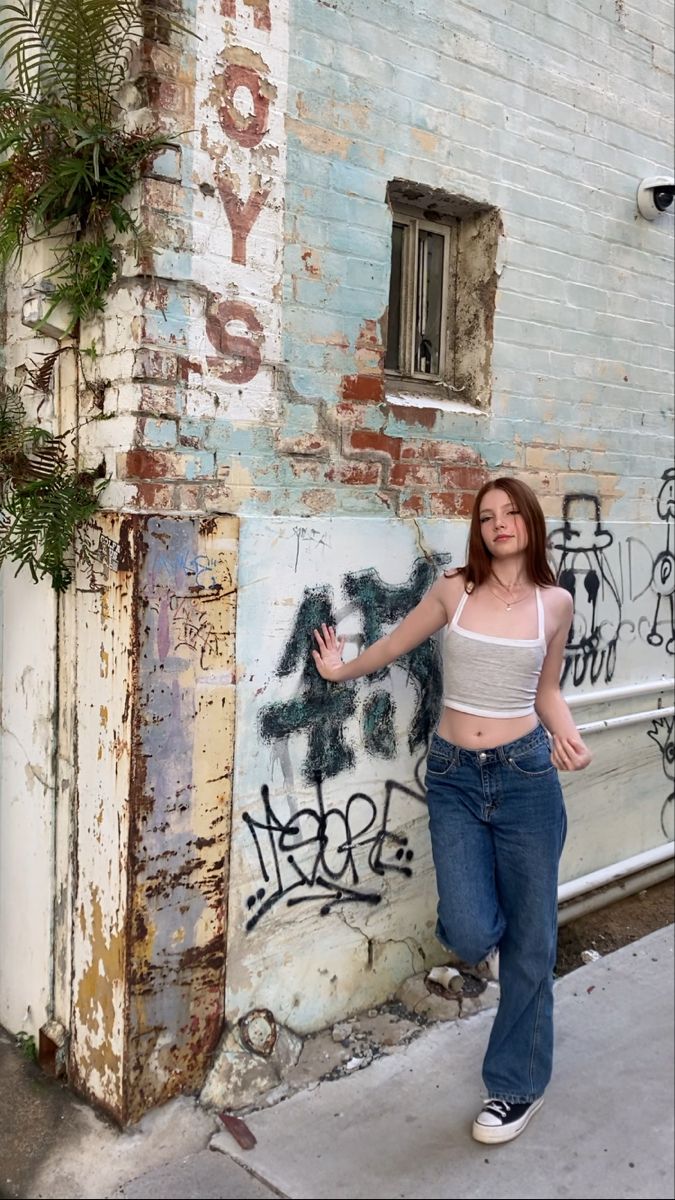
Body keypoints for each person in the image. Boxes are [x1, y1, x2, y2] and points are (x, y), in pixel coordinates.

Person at [312, 476, 592, 1145]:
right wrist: (337, 672)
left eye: (509, 512)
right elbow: (392, 645)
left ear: (528, 521)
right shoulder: (452, 590)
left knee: (532, 946)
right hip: (454, 779)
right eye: (486, 515)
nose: (498, 523)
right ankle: (505, 956)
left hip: (526, 778)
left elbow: (545, 688)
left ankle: (515, 1087)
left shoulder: (553, 605)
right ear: (478, 527)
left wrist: (568, 734)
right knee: (468, 932)